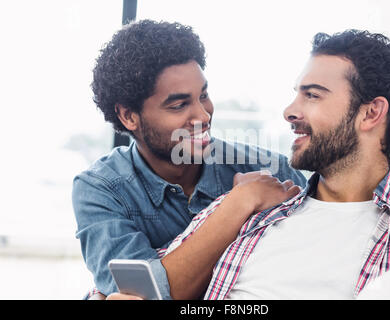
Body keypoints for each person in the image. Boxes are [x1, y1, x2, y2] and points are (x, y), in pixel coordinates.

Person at [119, 29, 390, 300]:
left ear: (371, 113)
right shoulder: (251, 212)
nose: (290, 111)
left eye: (313, 95)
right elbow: (138, 286)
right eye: (297, 94)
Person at [72, 19, 306, 300]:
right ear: (129, 116)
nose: (204, 116)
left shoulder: (269, 169)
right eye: (179, 105)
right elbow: (145, 295)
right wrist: (240, 202)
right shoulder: (101, 189)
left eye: (203, 96)